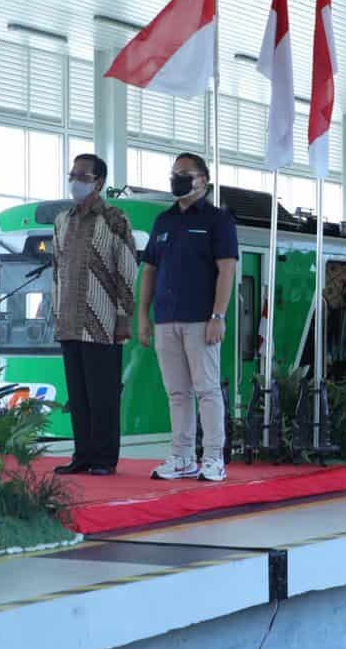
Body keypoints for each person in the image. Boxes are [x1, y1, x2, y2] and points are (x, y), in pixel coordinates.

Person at [138, 152, 238, 483]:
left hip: (201, 320)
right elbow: (149, 270)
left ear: (203, 180)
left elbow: (227, 269)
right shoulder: (163, 221)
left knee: (207, 389)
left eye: (185, 173)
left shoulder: (218, 220)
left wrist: (218, 315)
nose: (176, 179)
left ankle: (213, 458)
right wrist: (143, 315)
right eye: (174, 173)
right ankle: (181, 457)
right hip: (166, 319)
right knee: (177, 393)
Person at [52, 154, 138, 476]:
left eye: (82, 175)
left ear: (98, 182)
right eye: (72, 173)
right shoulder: (62, 219)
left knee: (102, 393)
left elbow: (128, 269)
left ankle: (103, 458)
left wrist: (123, 316)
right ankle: (82, 455)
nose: (75, 180)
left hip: (101, 321)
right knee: (78, 392)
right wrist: (55, 311)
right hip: (69, 321)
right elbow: (56, 269)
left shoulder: (115, 219)